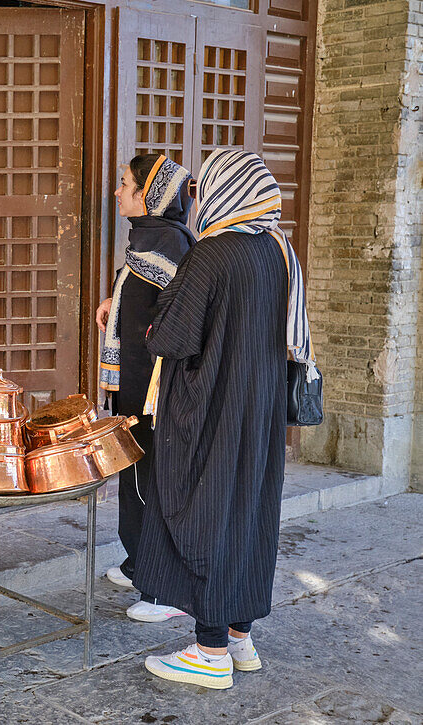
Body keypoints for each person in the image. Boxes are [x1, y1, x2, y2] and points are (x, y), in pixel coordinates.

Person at [137, 149, 314, 690]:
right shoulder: (280, 253)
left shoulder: (212, 255)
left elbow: (169, 337)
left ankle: (208, 649)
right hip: (258, 413)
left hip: (211, 410)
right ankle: (240, 637)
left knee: (204, 511)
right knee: (249, 514)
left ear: (221, 190)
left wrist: (149, 331)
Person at [96, 154, 195, 624]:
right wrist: (116, 303)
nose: (117, 192)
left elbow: (177, 316)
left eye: (125, 184)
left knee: (154, 478)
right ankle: (139, 562)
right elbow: (145, 297)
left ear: (148, 195)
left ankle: (166, 588)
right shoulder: (149, 239)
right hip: (134, 383)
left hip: (157, 388)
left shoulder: (172, 243)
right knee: (134, 470)